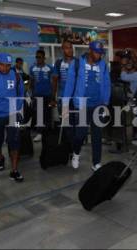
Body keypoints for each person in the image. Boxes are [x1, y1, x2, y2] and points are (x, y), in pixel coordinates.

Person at [63, 41, 111, 171]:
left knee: (97, 135)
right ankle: (76, 153)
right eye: (96, 52)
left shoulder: (103, 65)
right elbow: (69, 84)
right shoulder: (77, 63)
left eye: (101, 53)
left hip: (98, 104)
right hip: (82, 105)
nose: (98, 55)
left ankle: (96, 163)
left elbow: (107, 85)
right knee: (80, 134)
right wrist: (65, 104)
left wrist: (105, 104)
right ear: (90, 50)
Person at [0, 53, 24, 182]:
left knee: (15, 140)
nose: (5, 68)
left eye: (8, 66)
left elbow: (21, 92)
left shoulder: (16, 75)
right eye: (2, 65)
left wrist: (17, 107)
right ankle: (0, 157)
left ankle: (14, 170)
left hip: (13, 115)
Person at [29, 49, 53, 142]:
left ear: (44, 58)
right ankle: (39, 133)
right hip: (37, 95)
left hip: (48, 95)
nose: (38, 59)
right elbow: (31, 81)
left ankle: (46, 133)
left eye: (39, 57)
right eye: (36, 57)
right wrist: (31, 93)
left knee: (47, 115)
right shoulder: (32, 68)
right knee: (39, 115)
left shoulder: (50, 68)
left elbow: (53, 83)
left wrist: (53, 96)